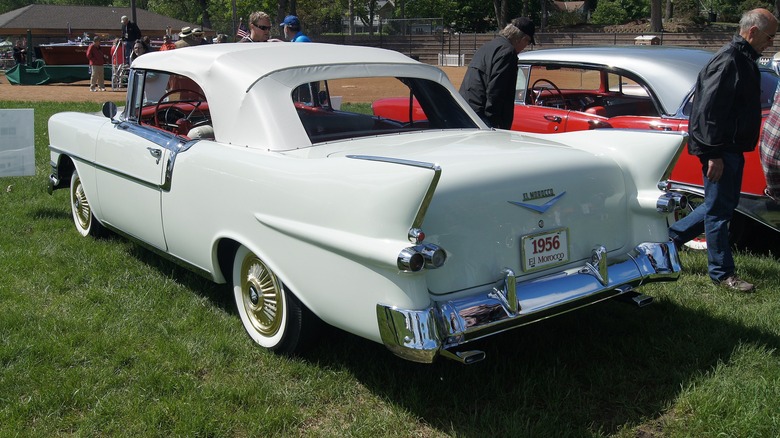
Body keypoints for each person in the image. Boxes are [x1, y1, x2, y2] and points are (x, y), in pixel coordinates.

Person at [669, 8, 778, 293]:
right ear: (753, 32)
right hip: (722, 150)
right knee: (719, 213)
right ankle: (722, 274)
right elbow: (707, 111)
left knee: (719, 204)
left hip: (731, 148)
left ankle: (668, 241)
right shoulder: (730, 60)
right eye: (770, 36)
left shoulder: (743, 59)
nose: (772, 42)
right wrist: (711, 154)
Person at [458, 17, 535, 129]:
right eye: (527, 42)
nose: (525, 47)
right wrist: (494, 123)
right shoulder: (508, 52)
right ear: (522, 38)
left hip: (467, 110)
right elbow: (496, 90)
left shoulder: (488, 46)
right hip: (483, 118)